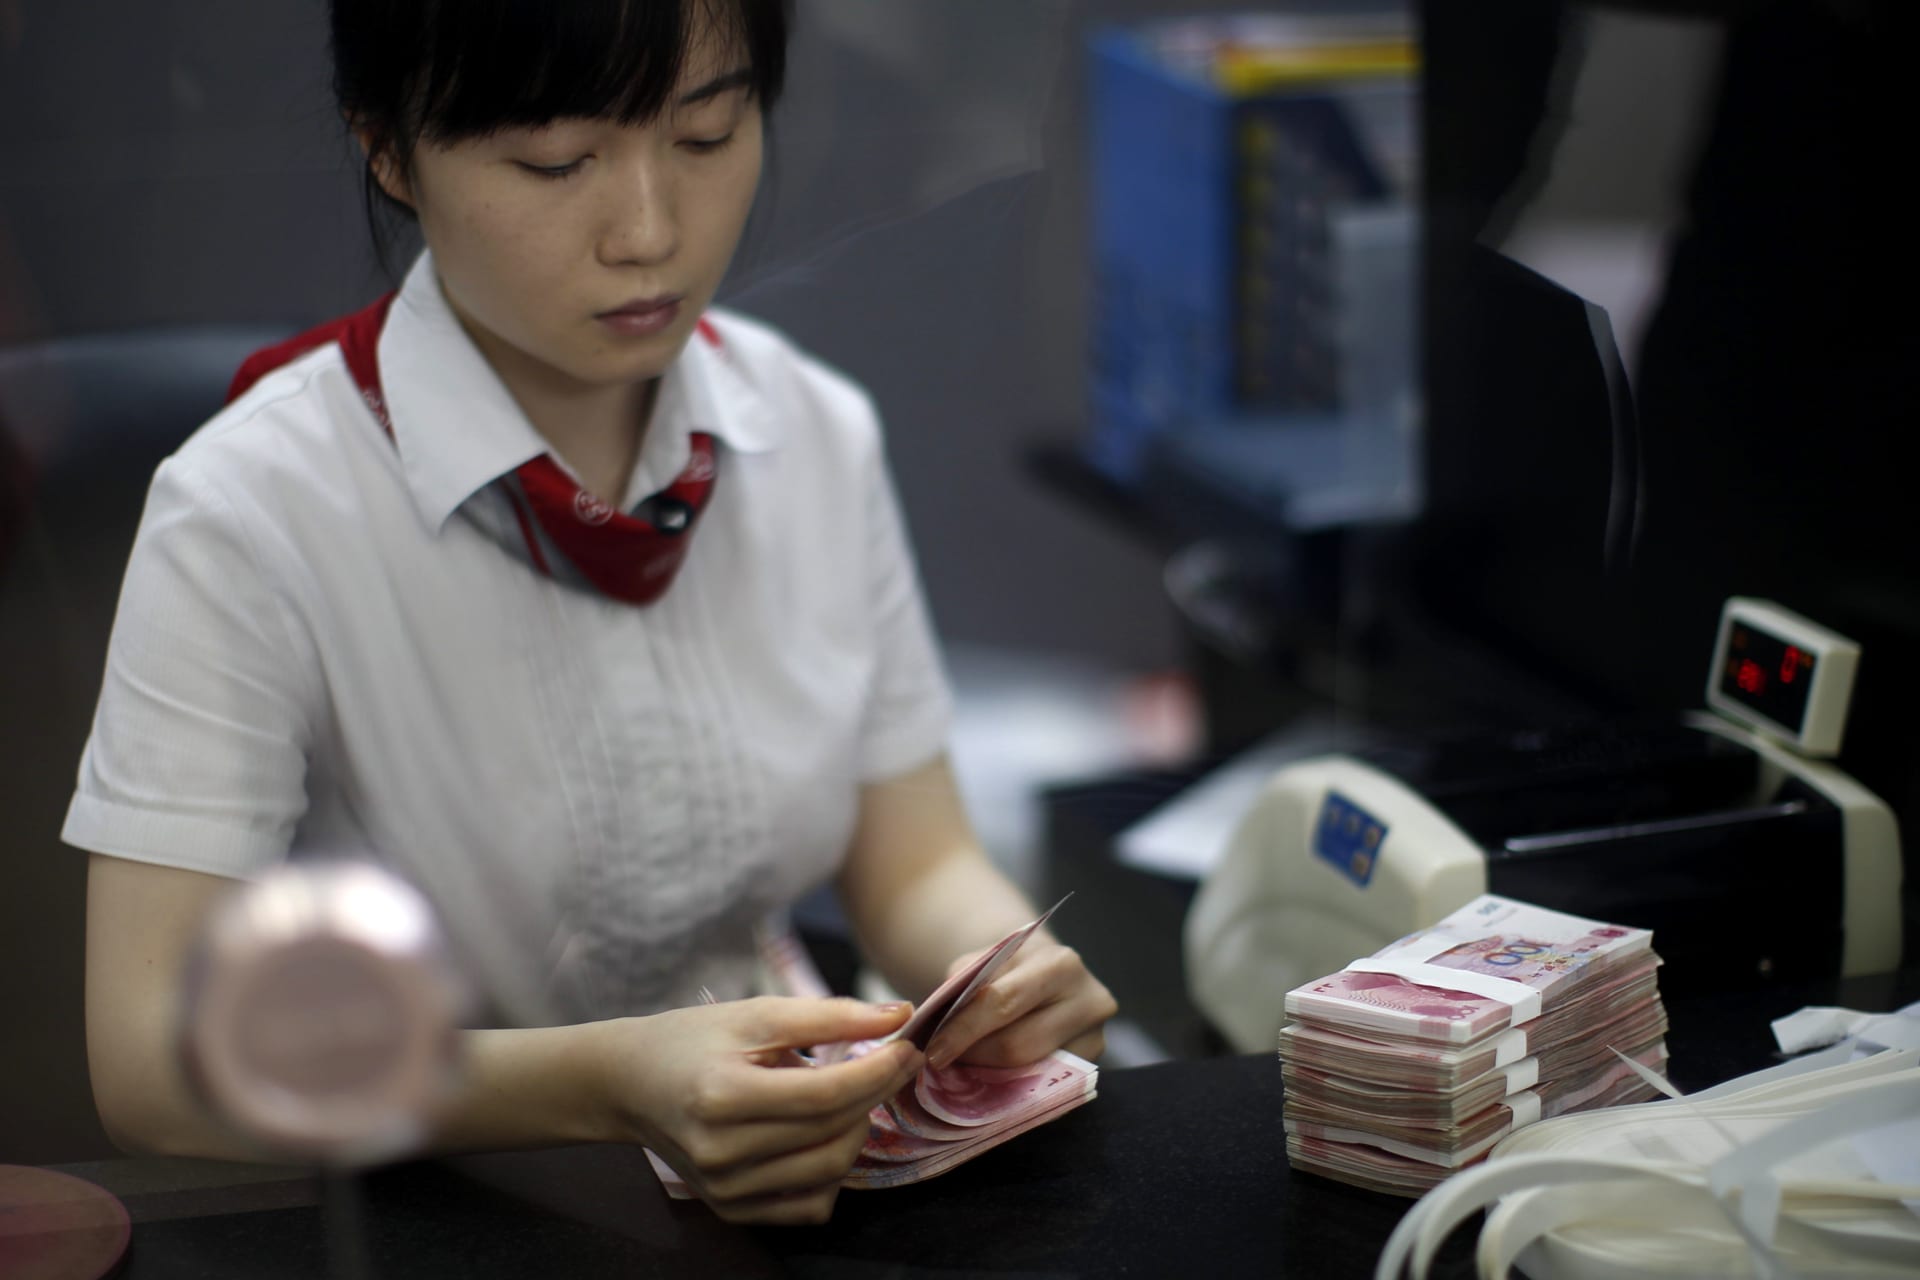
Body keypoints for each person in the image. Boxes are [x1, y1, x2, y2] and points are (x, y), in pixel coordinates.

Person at [68, 0, 1114, 1226]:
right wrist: (605, 1081)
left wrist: (994, 969)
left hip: (799, 1165)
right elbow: (154, 1059)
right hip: (438, 1213)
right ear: (389, 149)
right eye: (556, 163)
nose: (650, 233)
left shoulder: (809, 426)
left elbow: (913, 855)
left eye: (708, 138)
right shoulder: (252, 510)